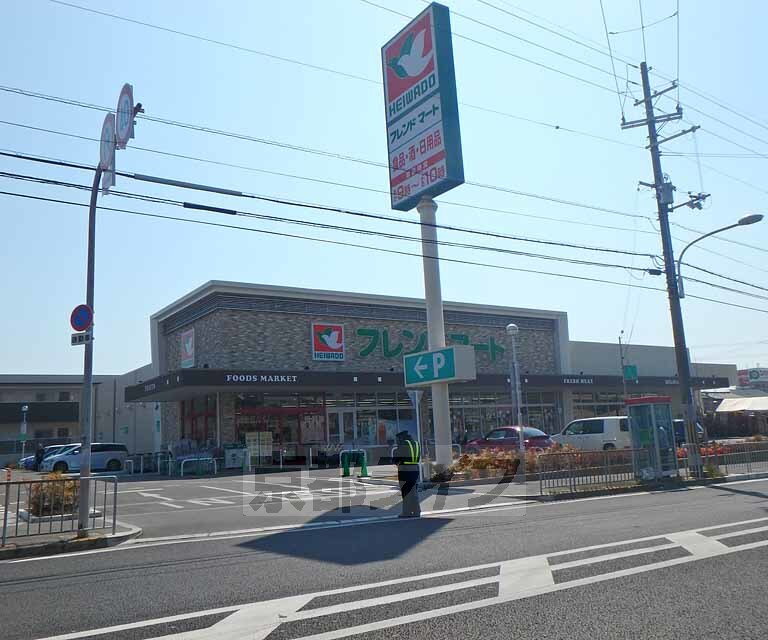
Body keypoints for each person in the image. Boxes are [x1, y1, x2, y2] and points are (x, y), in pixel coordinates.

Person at [393, 430, 421, 518]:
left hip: (404, 469)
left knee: (406, 492)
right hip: (415, 468)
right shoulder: (416, 443)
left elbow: (397, 458)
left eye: (397, 439)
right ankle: (416, 511)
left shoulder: (403, 444)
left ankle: (406, 512)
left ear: (401, 437)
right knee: (413, 491)